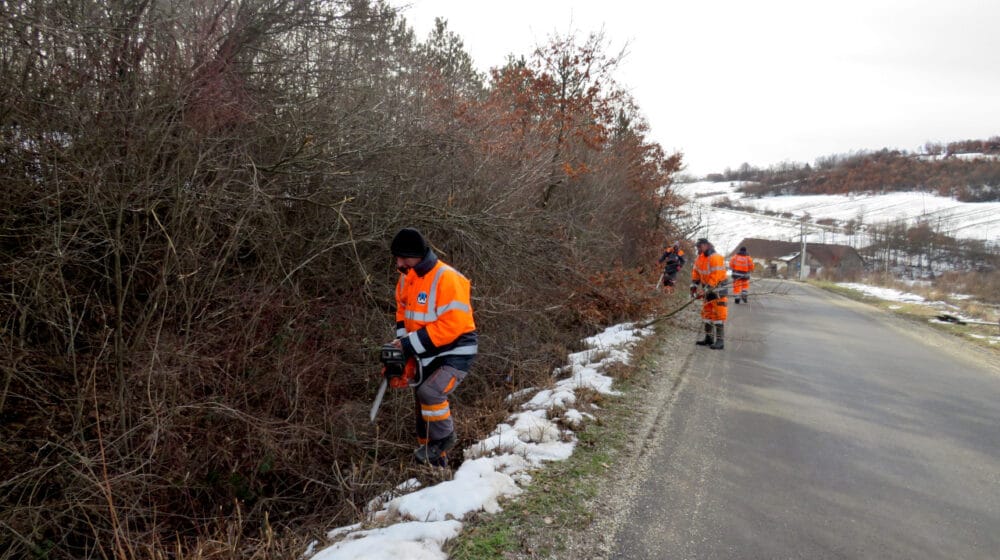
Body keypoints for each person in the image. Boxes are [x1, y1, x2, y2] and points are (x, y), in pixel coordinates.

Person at [389, 228, 478, 466]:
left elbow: (452, 325)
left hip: (457, 349)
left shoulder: (447, 278)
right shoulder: (406, 278)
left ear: (416, 255)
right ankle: (434, 464)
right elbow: (402, 312)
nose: (398, 263)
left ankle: (446, 438)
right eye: (397, 258)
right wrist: (402, 349)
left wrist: (408, 345)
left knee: (430, 392)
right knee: (422, 405)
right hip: (427, 348)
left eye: (402, 258)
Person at [690, 238, 728, 350]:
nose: (698, 249)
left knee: (718, 316)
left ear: (706, 245)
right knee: (707, 315)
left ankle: (720, 341)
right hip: (707, 291)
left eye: (699, 246)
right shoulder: (700, 258)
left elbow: (715, 277)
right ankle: (709, 338)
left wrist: (705, 289)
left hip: (718, 291)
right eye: (697, 247)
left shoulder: (715, 258)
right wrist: (694, 285)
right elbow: (696, 272)